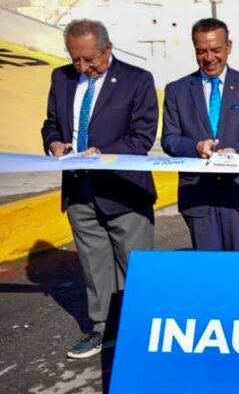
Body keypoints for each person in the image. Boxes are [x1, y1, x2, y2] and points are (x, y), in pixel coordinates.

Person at [41, 19, 158, 359]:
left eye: (90, 59)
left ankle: (142, 332)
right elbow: (50, 122)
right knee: (94, 265)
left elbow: (142, 136)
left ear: (109, 48)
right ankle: (101, 330)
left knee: (135, 265)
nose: (82, 67)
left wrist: (105, 153)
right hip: (79, 188)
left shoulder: (137, 80)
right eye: (76, 59)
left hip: (124, 189)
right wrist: (54, 145)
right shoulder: (60, 78)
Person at [161, 18, 239, 251]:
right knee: (208, 273)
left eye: (216, 50)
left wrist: (235, 151)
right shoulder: (177, 90)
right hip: (199, 196)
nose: (209, 58)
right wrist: (195, 147)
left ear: (229, 46)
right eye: (201, 51)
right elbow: (169, 139)